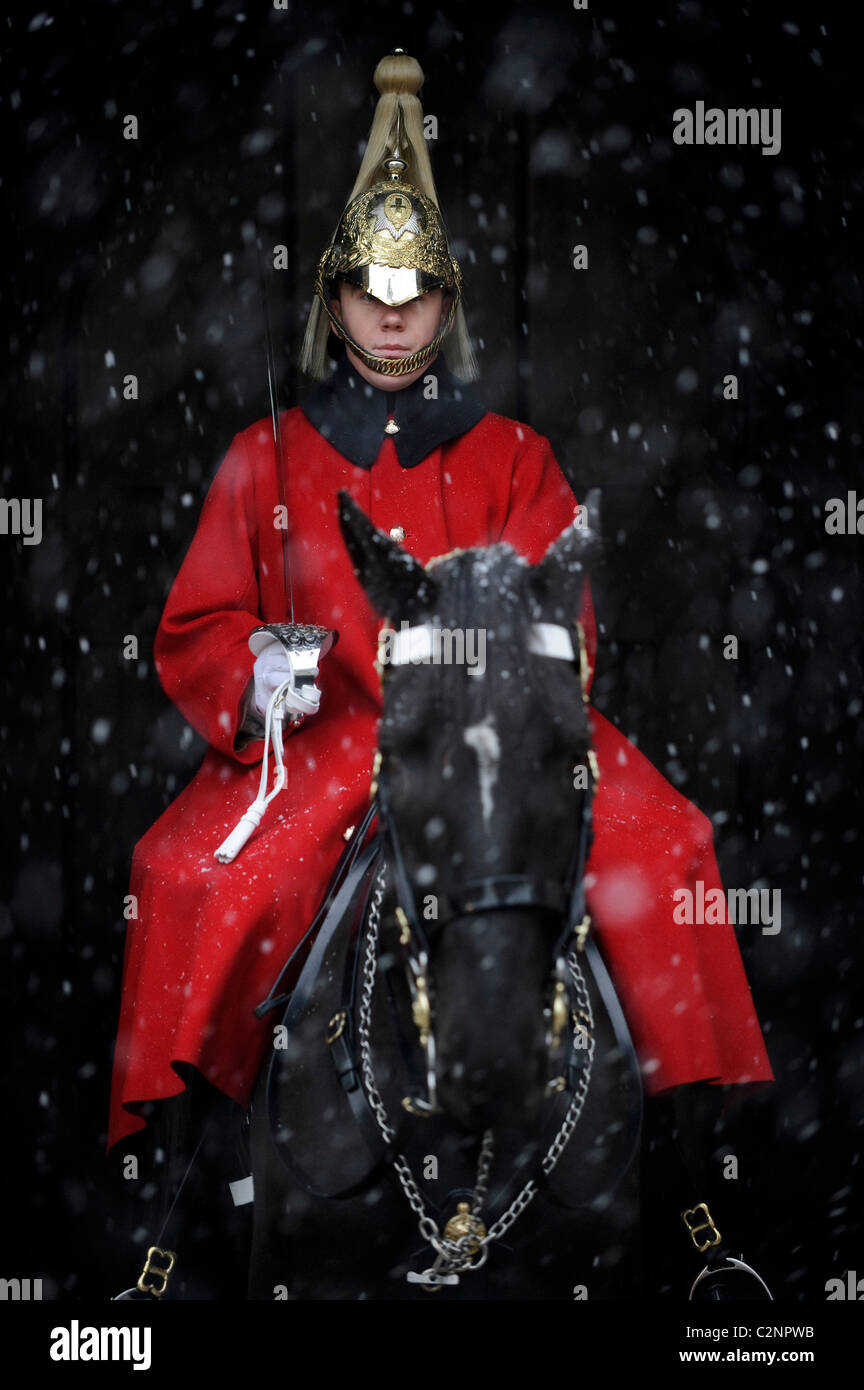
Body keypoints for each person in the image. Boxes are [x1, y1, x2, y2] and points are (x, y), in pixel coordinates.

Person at [107, 51, 773, 1294]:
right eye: (374, 290)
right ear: (339, 296)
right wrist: (251, 668)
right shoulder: (268, 455)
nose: (396, 316)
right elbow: (196, 622)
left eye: (418, 293)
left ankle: (693, 1200)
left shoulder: (517, 454)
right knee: (184, 872)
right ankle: (182, 1202)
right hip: (326, 745)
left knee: (669, 845)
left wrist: (513, 663)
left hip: (499, 736)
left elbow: (563, 615)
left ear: (446, 299)